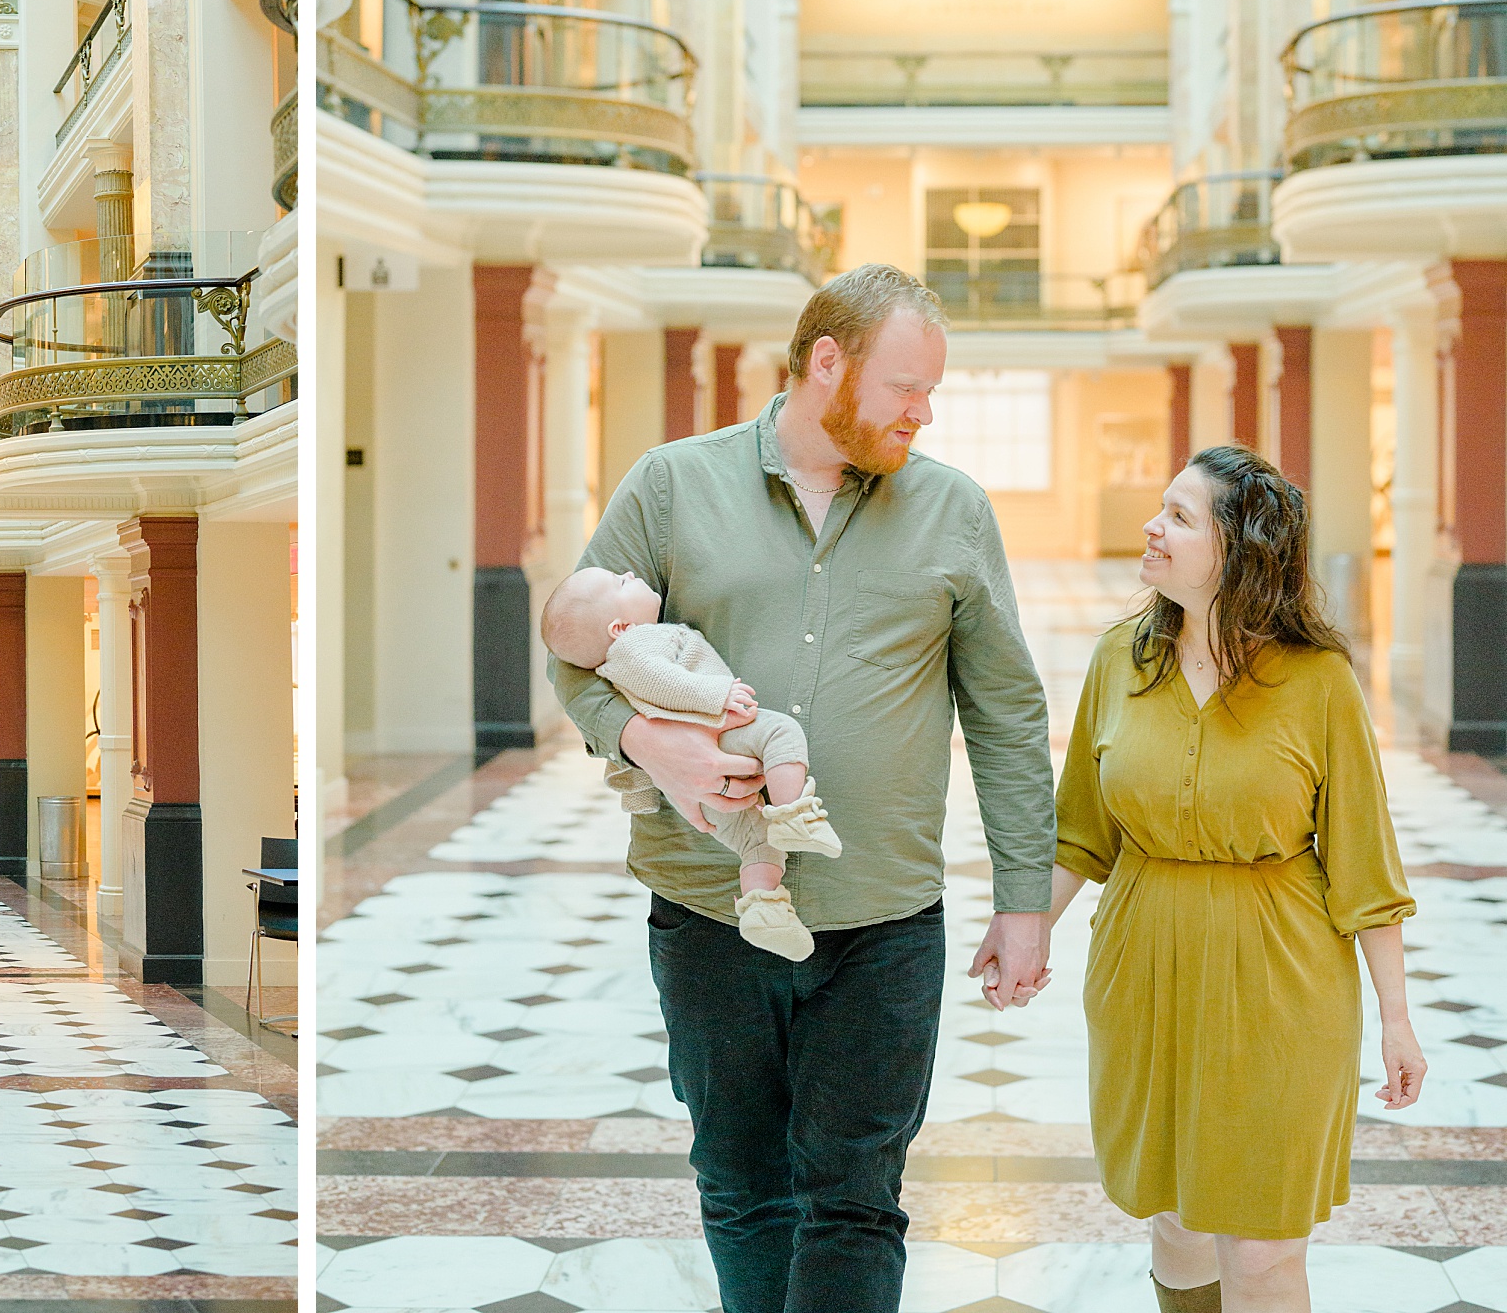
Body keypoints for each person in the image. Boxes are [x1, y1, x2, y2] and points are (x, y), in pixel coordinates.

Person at [548, 262, 1056, 1313]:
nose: (926, 410)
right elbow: (573, 651)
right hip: (706, 907)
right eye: (905, 387)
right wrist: (647, 739)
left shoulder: (953, 508)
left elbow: (1006, 712)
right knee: (742, 1185)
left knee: (857, 1197)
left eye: (930, 391)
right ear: (827, 362)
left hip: (885, 917)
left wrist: (1023, 899)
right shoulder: (671, 484)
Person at [1049, 445, 1426, 1312]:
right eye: (1161, 508)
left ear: (1240, 552)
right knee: (1177, 1224)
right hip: (1143, 971)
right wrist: (1022, 933)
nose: (1151, 526)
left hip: (1281, 983)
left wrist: (1397, 1022)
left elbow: (1366, 866)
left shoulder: (1319, 681)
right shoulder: (1119, 660)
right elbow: (1080, 832)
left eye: (1179, 516)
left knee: (1260, 1247)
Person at [541, 565, 841, 960]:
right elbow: (663, 681)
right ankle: (793, 815)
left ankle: (764, 908)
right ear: (618, 627)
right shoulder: (635, 648)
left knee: (755, 841)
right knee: (781, 733)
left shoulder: (631, 648)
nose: (630, 573)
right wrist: (718, 694)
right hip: (714, 733)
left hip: (695, 786)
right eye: (620, 582)